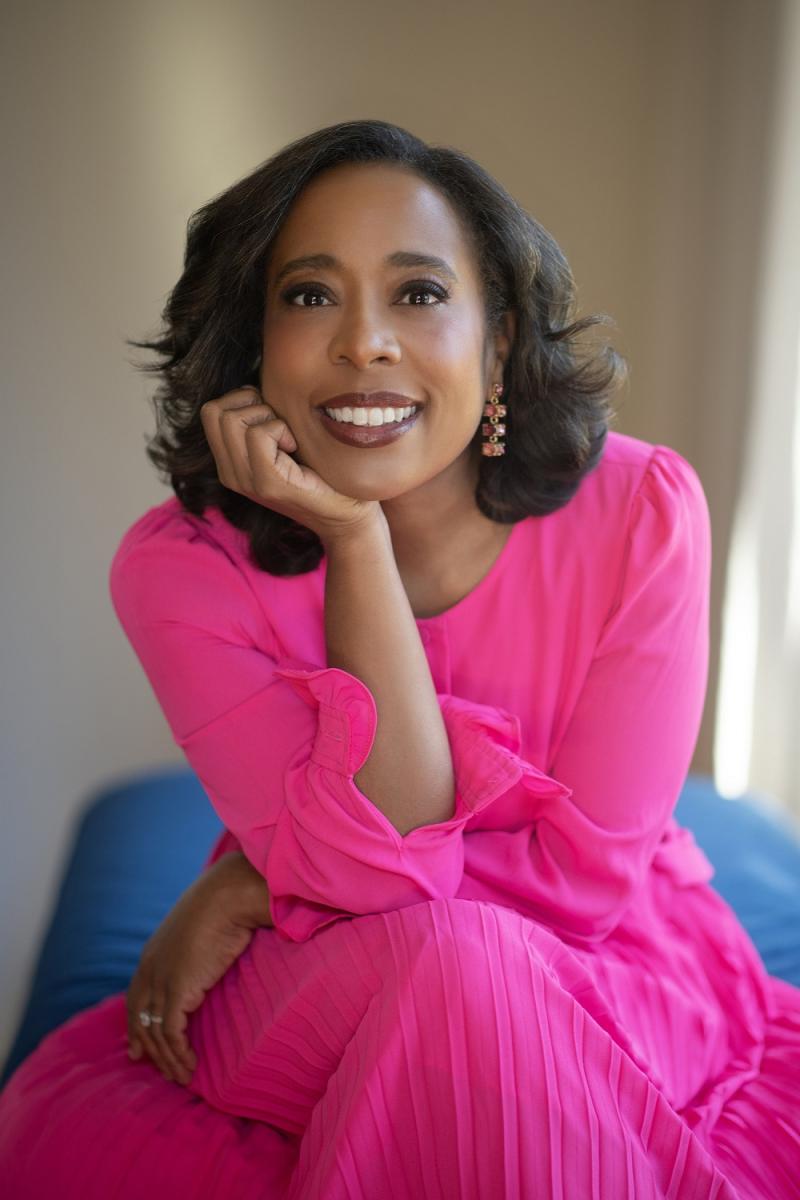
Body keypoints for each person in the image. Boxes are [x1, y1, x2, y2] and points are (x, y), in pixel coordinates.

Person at [0, 118, 797, 1200]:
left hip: (606, 967)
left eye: (417, 293)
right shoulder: (178, 569)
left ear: (500, 341)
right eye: (309, 295)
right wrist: (353, 537)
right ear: (252, 346)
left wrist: (247, 879)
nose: (362, 341)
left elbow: (582, 888)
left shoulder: (641, 512)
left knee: (463, 969)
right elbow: (376, 869)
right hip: (314, 975)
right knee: (451, 965)